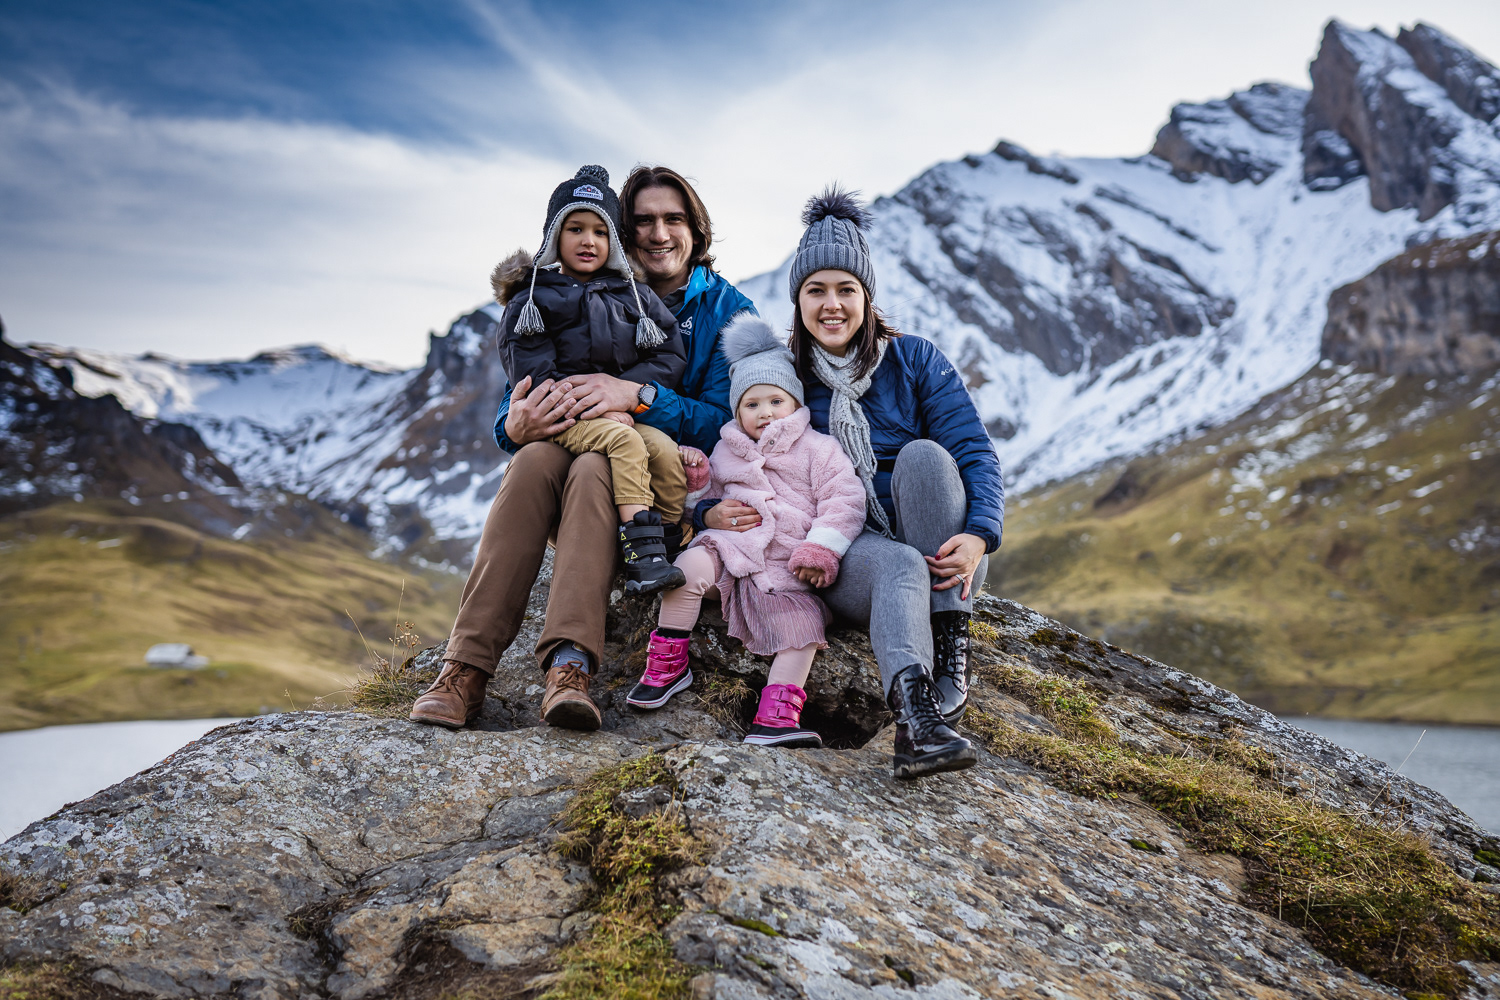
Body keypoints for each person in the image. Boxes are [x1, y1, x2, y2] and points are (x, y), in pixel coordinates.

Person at [409, 166, 756, 732]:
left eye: (674, 219)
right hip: (564, 469)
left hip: (663, 498)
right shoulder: (562, 292)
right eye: (642, 221)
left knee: (596, 463)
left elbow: (728, 423)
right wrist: (513, 426)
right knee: (532, 458)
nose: (658, 233)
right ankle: (464, 670)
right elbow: (519, 395)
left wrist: (639, 397)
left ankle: (570, 668)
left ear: (697, 230)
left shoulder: (727, 313)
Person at [702, 188, 1006, 780]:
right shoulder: (783, 378)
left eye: (846, 289)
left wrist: (979, 536)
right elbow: (732, 445)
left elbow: (974, 450)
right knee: (898, 566)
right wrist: (707, 511)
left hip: (939, 536)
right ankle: (917, 722)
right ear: (798, 301)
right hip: (846, 549)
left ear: (867, 296)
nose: (832, 304)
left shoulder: (914, 359)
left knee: (924, 456)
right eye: (816, 290)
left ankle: (949, 641)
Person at [624, 315, 865, 748]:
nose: (764, 413)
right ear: (737, 410)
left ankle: (776, 716)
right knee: (688, 566)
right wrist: (699, 489)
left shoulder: (819, 449)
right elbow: (702, 504)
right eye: (751, 405)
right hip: (730, 550)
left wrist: (820, 550)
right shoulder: (726, 447)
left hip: (784, 566)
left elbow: (845, 501)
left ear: (794, 402)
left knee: (803, 630)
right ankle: (666, 664)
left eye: (775, 401)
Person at [492, 164, 692, 594]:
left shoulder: (632, 294)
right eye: (575, 229)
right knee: (626, 443)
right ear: (553, 237)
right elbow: (533, 373)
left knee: (662, 451)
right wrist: (593, 410)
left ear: (615, 242)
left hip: (620, 413)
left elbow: (668, 352)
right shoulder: (532, 298)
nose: (588, 240)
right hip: (565, 416)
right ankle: (644, 559)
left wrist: (622, 398)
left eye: (601, 232)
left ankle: (670, 539)